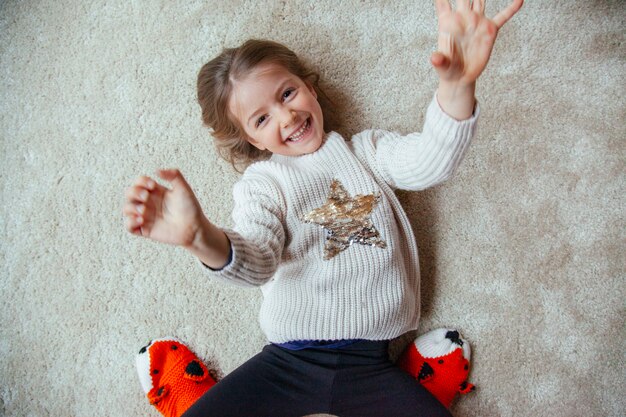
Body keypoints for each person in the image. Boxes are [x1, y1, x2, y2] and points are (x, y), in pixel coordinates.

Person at [123, 1, 523, 416]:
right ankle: (194, 396)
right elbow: (258, 259)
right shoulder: (263, 184)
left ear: (309, 87)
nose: (287, 115)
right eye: (261, 119)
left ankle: (416, 376)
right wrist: (200, 236)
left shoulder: (366, 151)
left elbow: (429, 160)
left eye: (288, 93)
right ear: (252, 140)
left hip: (370, 365)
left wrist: (457, 87)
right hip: (286, 364)